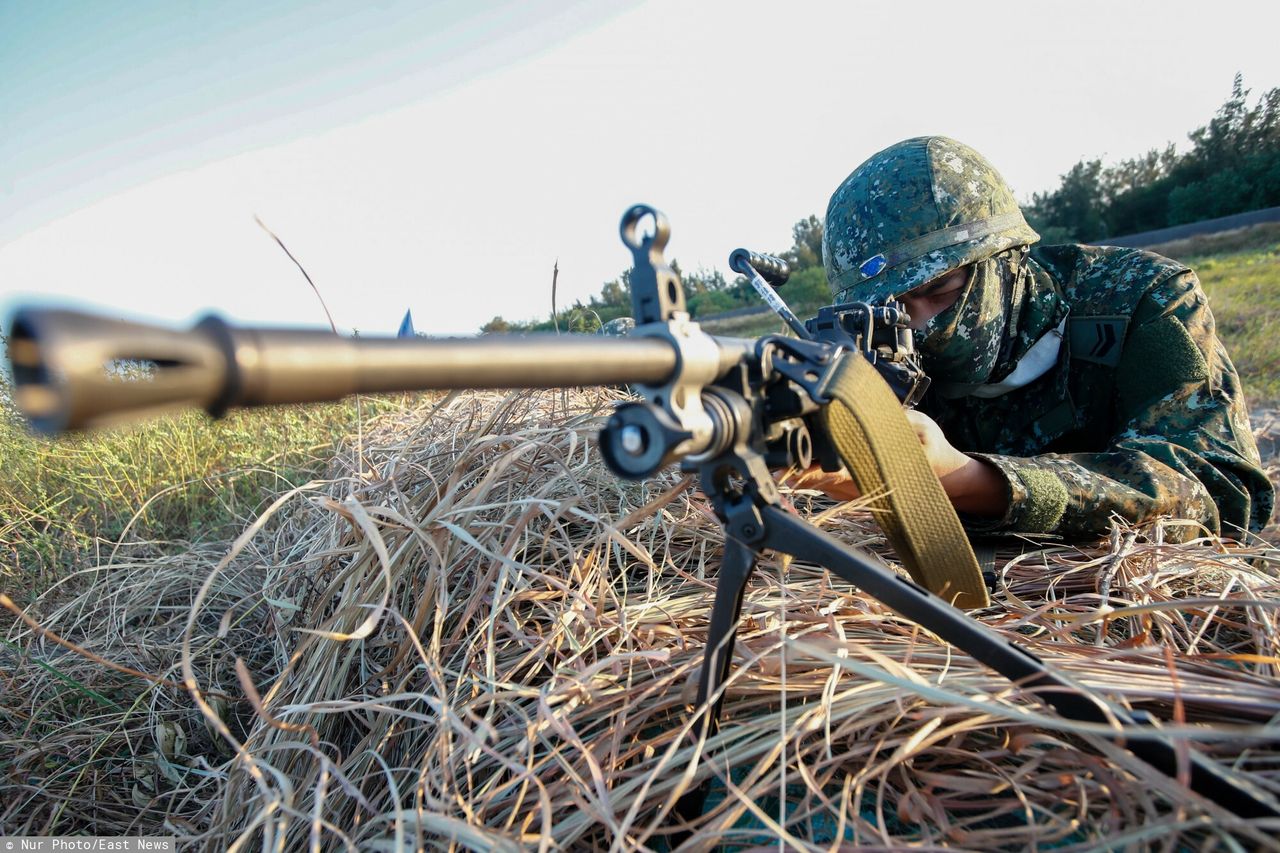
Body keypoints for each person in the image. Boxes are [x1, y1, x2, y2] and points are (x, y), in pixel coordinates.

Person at [805, 136, 1273, 542]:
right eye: (894, 309)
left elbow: (1222, 492)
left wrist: (967, 479)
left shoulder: (1138, 300)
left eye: (939, 291)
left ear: (1008, 259)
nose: (921, 326)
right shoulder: (878, 344)